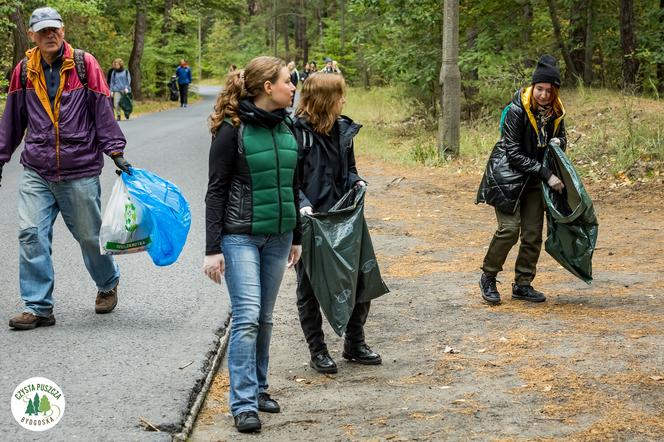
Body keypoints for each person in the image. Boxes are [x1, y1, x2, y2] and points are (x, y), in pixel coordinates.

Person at [0, 6, 133, 330]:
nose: (50, 35)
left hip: (80, 169)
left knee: (89, 237)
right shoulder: (23, 71)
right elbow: (12, 120)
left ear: (63, 30)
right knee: (30, 232)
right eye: (43, 31)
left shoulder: (85, 65)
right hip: (37, 168)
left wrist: (115, 151)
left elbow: (103, 109)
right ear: (31, 35)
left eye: (54, 29)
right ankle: (39, 306)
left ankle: (107, 283)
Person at [204, 56, 301, 433]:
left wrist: (296, 236)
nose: (293, 87)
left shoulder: (287, 126)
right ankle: (243, 404)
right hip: (239, 235)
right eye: (288, 82)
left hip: (279, 237)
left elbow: (292, 185)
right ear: (267, 88)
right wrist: (212, 249)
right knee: (246, 316)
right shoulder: (232, 130)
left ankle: (260, 389)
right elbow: (215, 192)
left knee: (264, 318)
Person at [293, 73, 381, 374]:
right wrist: (302, 205)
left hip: (345, 218)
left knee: (361, 279)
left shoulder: (343, 130)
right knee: (309, 287)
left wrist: (356, 181)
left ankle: (354, 344)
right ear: (325, 99)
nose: (344, 100)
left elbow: (350, 169)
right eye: (340, 95)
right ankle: (317, 350)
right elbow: (289, 181)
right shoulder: (295, 133)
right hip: (311, 223)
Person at [476, 54, 567, 306]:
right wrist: (547, 174)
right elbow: (513, 153)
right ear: (532, 87)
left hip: (535, 179)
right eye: (540, 89)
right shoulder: (517, 110)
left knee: (532, 234)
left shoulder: (556, 112)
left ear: (555, 91)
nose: (544, 95)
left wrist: (558, 143)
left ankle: (523, 284)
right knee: (509, 229)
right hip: (507, 178)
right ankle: (488, 276)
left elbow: (562, 141)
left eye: (549, 90)